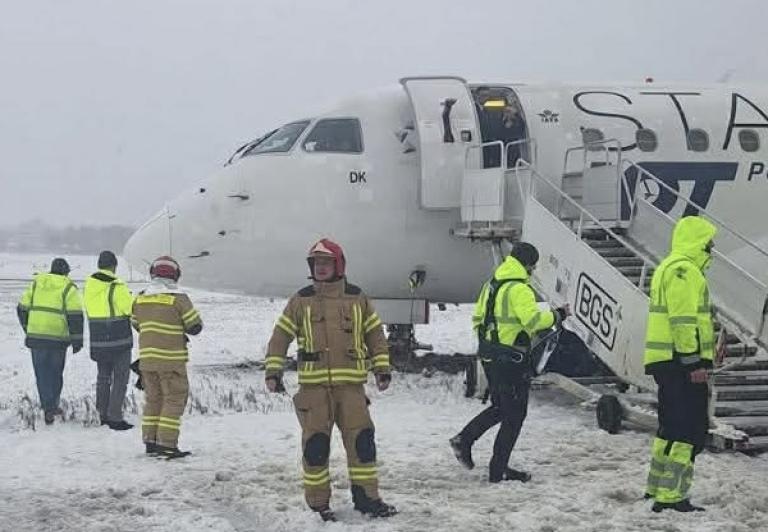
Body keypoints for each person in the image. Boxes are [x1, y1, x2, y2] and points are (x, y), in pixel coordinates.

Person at [265, 238, 397, 522]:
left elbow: (375, 335)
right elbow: (280, 337)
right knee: (315, 449)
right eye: (316, 263)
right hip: (313, 393)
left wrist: (382, 368)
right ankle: (318, 507)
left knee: (362, 445)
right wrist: (273, 371)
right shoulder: (300, 300)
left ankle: (368, 500)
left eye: (325, 263)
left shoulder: (357, 297)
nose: (320, 268)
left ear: (338, 265)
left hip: (351, 391)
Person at [450, 242, 569, 483]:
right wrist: (558, 314)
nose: (532, 271)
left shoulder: (492, 284)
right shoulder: (519, 288)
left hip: (491, 355)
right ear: (526, 264)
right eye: (532, 267)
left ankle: (469, 444)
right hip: (511, 360)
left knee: (501, 408)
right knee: (515, 414)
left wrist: (492, 342)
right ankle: (493, 465)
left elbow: (478, 318)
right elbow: (534, 320)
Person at [643, 216, 717, 513]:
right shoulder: (685, 271)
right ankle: (672, 496)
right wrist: (692, 363)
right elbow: (683, 321)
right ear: (698, 241)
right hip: (680, 364)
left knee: (669, 428)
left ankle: (656, 488)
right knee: (688, 430)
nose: (712, 248)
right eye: (709, 242)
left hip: (668, 363)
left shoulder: (669, 267)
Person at [131, 256, 202, 459]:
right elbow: (194, 326)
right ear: (175, 275)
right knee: (173, 400)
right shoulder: (178, 298)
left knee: (153, 400)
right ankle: (167, 444)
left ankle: (150, 442)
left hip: (147, 361)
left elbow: (135, 323)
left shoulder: (141, 297)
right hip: (171, 361)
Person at [16, 258, 83, 425]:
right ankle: (52, 405)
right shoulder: (68, 287)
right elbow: (75, 316)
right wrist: (77, 341)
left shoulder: (36, 283)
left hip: (37, 338)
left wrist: (28, 328)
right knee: (55, 373)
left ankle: (47, 406)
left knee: (42, 374)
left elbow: (21, 309)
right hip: (57, 339)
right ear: (66, 272)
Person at [83, 250, 135, 430]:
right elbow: (129, 309)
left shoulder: (89, 285)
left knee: (103, 378)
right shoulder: (117, 286)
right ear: (114, 266)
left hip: (98, 340)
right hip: (118, 340)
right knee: (120, 379)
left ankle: (102, 413)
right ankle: (115, 417)